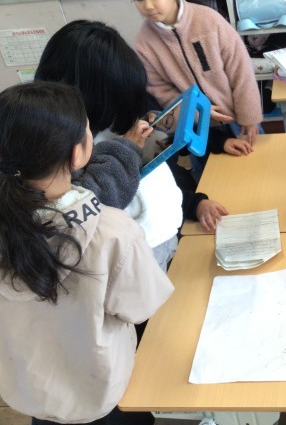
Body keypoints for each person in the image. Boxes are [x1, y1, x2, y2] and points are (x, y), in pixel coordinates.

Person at [0, 82, 174, 424]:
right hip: (101, 393)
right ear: (77, 154)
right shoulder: (112, 231)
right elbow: (142, 307)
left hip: (30, 390)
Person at [35, 21, 229, 240]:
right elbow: (90, 203)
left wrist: (195, 203)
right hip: (129, 249)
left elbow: (156, 179)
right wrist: (127, 148)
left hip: (164, 234)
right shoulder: (61, 151)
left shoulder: (112, 123)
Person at [128, 0, 263, 150]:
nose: (147, 6)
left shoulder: (208, 20)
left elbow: (240, 69)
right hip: (197, 129)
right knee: (206, 169)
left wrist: (249, 115)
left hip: (238, 119)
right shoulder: (144, 43)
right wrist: (198, 111)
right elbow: (161, 92)